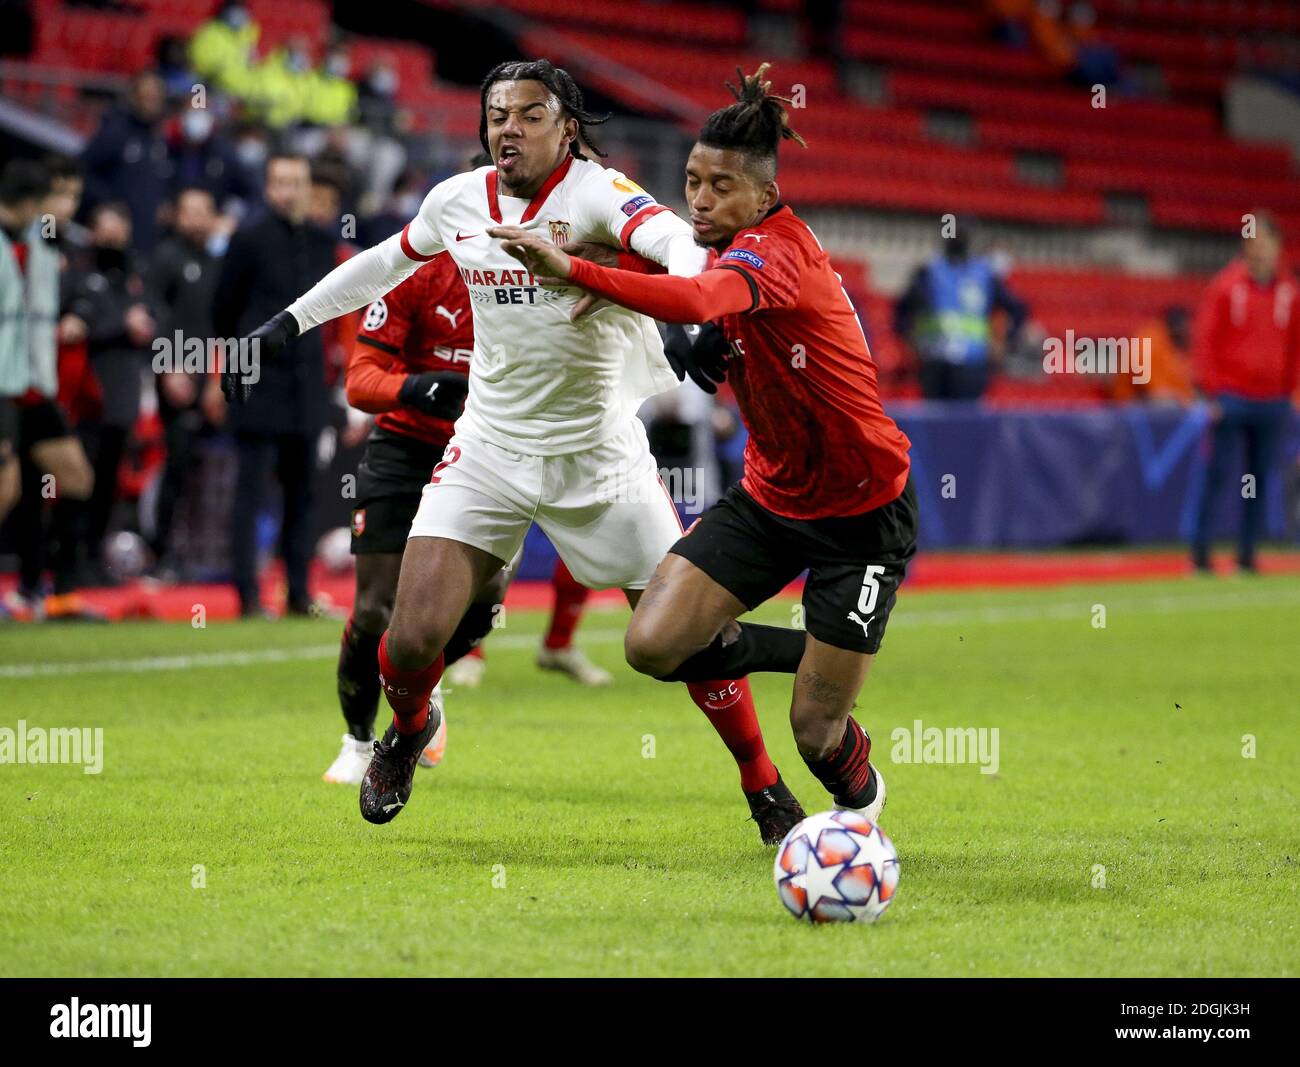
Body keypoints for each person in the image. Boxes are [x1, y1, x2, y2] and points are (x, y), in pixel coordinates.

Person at [234, 59, 812, 843]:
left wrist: (696, 318)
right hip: (490, 448)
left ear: (567, 127)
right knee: (405, 641)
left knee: (686, 644)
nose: (509, 126)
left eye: (530, 114)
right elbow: (384, 260)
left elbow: (676, 239)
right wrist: (286, 323)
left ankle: (763, 784)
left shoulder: (598, 193)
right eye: (498, 112)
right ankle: (405, 734)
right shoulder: (456, 200)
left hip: (601, 457)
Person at [494, 65, 918, 824]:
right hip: (771, 496)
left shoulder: (776, 249)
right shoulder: (726, 245)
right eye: (691, 180)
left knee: (816, 735)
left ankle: (863, 814)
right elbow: (694, 289)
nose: (698, 199)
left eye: (720, 187)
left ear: (763, 195)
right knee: (652, 643)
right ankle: (815, 655)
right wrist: (668, 305)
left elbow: (699, 295)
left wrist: (581, 268)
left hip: (863, 507)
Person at [212, 153, 338, 617]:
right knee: (250, 492)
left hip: (306, 384)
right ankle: (247, 596)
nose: (289, 190)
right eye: (280, 181)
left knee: (302, 494)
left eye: (297, 181)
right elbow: (223, 308)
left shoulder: (323, 242)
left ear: (308, 187)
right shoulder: (247, 239)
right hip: (258, 381)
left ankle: (299, 593)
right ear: (268, 187)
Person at [0, 159, 96, 618]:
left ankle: (56, 594)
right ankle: (28, 590)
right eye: (54, 198)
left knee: (73, 477)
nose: (61, 209)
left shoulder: (45, 244)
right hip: (2, 385)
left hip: (34, 384)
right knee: (9, 489)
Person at [1190, 213, 1300, 573]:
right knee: (1218, 474)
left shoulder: (1289, 292)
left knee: (1255, 479)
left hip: (1272, 401)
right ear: (1245, 246)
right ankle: (1202, 555)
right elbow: (1205, 339)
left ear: (1278, 247)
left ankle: (1246, 554)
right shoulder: (1225, 286)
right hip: (1232, 398)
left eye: (1266, 243)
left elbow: (1295, 347)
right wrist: (1210, 392)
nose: (1260, 251)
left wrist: (1292, 392)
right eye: (1254, 243)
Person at [60, 202, 156, 583]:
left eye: (120, 228)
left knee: (107, 484)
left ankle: (93, 558)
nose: (113, 236)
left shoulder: (136, 273)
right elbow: (72, 328)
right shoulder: (79, 271)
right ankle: (68, 560)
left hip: (123, 397)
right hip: (87, 396)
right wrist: (122, 325)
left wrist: (146, 326)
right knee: (77, 480)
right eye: (106, 228)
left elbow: (157, 317)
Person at [146, 186, 226, 576]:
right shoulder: (165, 259)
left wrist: (219, 379)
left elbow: (223, 326)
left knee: (208, 470)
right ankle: (161, 553)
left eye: (203, 211)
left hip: (210, 379)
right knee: (175, 466)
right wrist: (168, 368)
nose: (196, 219)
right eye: (189, 211)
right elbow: (156, 315)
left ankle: (202, 553)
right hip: (177, 377)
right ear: (177, 216)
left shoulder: (218, 264)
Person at [894, 228, 1027, 401]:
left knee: (966, 422)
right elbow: (902, 312)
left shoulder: (985, 275)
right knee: (936, 422)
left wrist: (1005, 341)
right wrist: (909, 339)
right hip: (935, 364)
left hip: (972, 365)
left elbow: (1018, 309)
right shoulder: (928, 272)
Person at [81, 71, 171, 252]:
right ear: (134, 97)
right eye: (145, 96)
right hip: (112, 236)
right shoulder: (116, 132)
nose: (150, 103)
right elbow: (82, 169)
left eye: (155, 98)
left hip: (146, 239)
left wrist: (167, 203)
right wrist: (106, 205)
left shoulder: (162, 141)